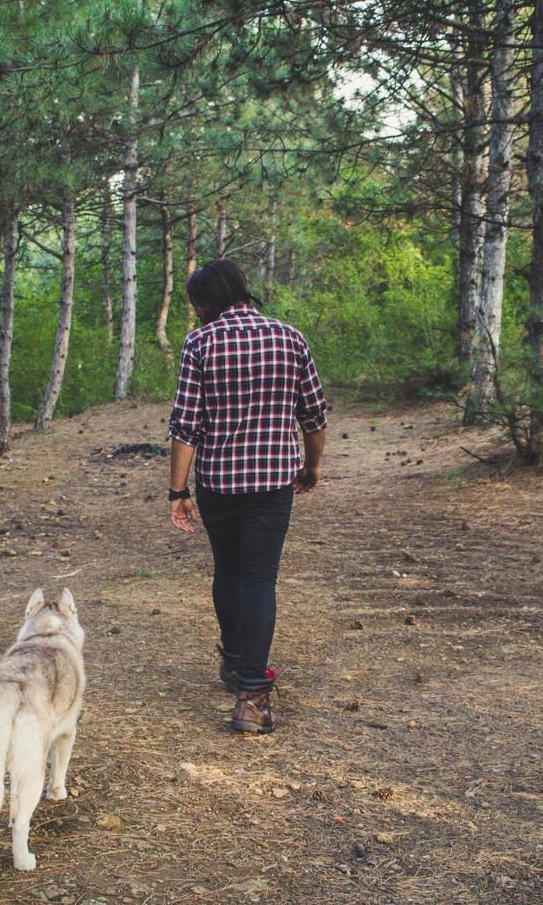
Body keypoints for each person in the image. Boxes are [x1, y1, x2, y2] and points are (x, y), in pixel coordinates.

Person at [166, 260, 327, 735]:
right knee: (259, 579)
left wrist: (178, 490)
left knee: (229, 571)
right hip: (273, 481)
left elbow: (184, 425)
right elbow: (314, 416)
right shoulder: (289, 338)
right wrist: (311, 467)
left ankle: (236, 660)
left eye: (196, 303)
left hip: (218, 481)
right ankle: (251, 697)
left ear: (207, 302)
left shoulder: (200, 343)